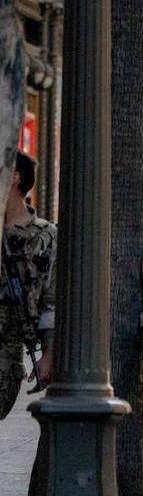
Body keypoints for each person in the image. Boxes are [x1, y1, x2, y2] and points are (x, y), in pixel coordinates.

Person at [0, 151, 54, 418]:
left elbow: (51, 300)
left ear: (14, 177)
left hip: (8, 352)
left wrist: (48, 353)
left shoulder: (44, 236)